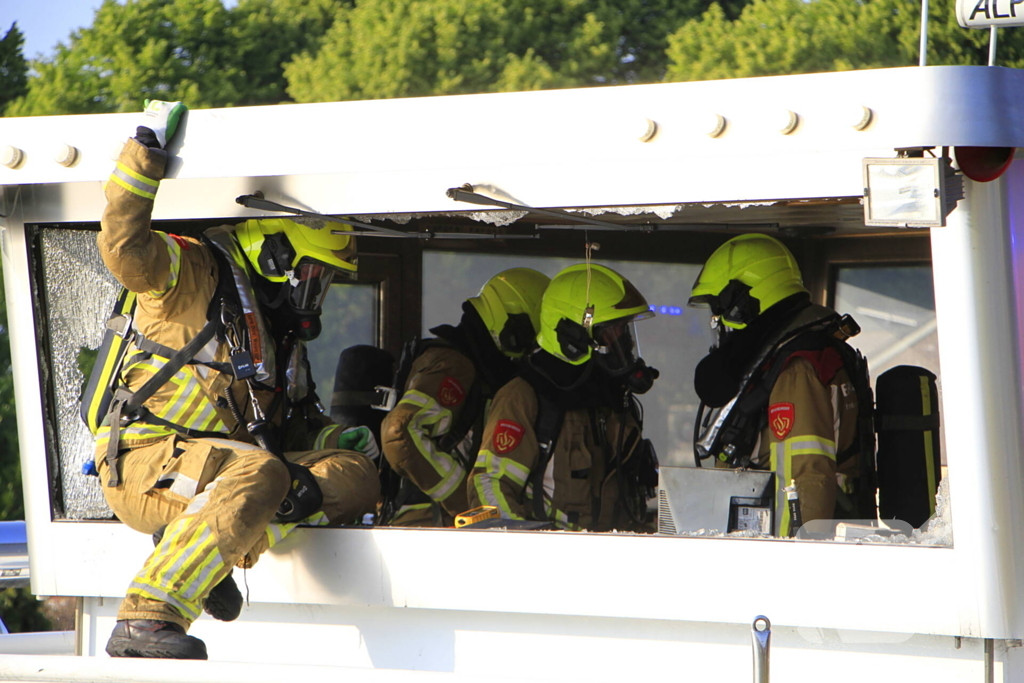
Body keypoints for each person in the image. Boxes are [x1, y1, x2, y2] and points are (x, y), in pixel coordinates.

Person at [95, 101, 380, 659]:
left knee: (357, 475)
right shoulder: (189, 271)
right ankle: (146, 618)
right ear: (275, 253)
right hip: (149, 461)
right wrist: (144, 152)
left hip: (233, 474)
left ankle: (214, 551)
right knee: (262, 470)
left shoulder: (277, 340)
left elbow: (289, 426)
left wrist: (332, 441)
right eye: (312, 274)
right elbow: (124, 249)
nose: (314, 293)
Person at [688, 233, 874, 537]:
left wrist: (791, 560)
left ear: (742, 303)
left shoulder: (795, 371)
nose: (718, 322)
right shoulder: (798, 356)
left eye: (719, 308)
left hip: (788, 548)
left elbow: (803, 480)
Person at [467, 263, 660, 532]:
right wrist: (521, 550)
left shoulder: (612, 401)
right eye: (609, 332)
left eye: (623, 331)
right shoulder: (524, 396)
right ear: (572, 337)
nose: (621, 343)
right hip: (550, 560)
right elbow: (490, 485)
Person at [380, 268, 550, 527]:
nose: (528, 352)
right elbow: (400, 432)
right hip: (428, 525)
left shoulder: (478, 366)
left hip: (441, 525)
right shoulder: (455, 364)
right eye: (527, 336)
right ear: (509, 324)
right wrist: (469, 504)